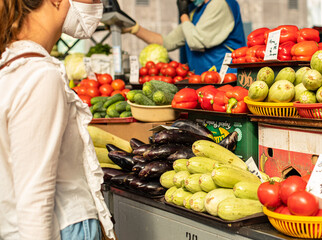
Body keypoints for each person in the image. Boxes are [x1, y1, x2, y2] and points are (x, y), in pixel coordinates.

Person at [0, 0, 115, 239]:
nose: (94, 4)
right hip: (63, 227)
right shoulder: (40, 76)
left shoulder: (11, 67)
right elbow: (36, 197)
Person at [123, 0, 246, 75]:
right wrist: (134, 28)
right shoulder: (196, 12)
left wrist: (183, 14)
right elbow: (167, 43)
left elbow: (196, 42)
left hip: (226, 77)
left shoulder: (221, 3)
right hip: (205, 80)